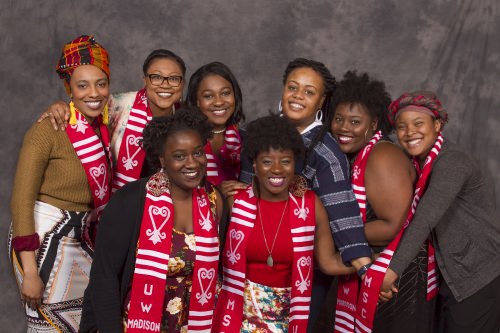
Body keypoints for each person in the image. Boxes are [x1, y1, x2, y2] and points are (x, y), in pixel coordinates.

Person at [79, 107, 225, 333]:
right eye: (179, 156)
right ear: (162, 159)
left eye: (198, 152)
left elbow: (221, 273)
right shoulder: (131, 201)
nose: (192, 163)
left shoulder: (216, 201)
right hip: (139, 324)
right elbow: (103, 277)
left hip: (198, 324)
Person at [8, 35, 113, 332]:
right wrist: (29, 270)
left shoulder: (103, 126)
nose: (94, 93)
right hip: (42, 239)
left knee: (86, 322)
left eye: (101, 83)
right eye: (82, 85)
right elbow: (21, 201)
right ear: (69, 89)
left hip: (80, 236)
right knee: (50, 327)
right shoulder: (49, 129)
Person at [212, 115, 353, 333]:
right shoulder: (234, 202)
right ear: (255, 165)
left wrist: (371, 265)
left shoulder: (310, 205)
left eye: (285, 161)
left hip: (288, 315)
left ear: (294, 164)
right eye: (267, 161)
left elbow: (328, 263)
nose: (277, 169)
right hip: (238, 313)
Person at [380, 91, 500, 333]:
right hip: (450, 273)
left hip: (478, 274)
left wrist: (392, 270)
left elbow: (426, 218)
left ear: (436, 126)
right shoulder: (417, 163)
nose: (409, 132)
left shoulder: (452, 161)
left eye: (418, 124)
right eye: (401, 127)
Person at [329, 71, 435, 332]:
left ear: (374, 123)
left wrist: (336, 235)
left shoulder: (381, 157)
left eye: (355, 121)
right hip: (376, 263)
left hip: (400, 274)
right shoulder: (359, 156)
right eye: (339, 119)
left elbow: (392, 226)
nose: (344, 127)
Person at [40, 49, 186, 190]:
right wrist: (62, 106)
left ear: (182, 84)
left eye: (174, 78)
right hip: (124, 200)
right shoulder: (118, 105)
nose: (165, 84)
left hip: (168, 202)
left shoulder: (187, 119)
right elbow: (84, 106)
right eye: (157, 77)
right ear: (145, 81)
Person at [186, 61, 245, 186]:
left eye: (225, 93)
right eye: (208, 96)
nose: (219, 102)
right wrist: (217, 195)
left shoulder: (245, 138)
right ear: (196, 101)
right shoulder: (186, 139)